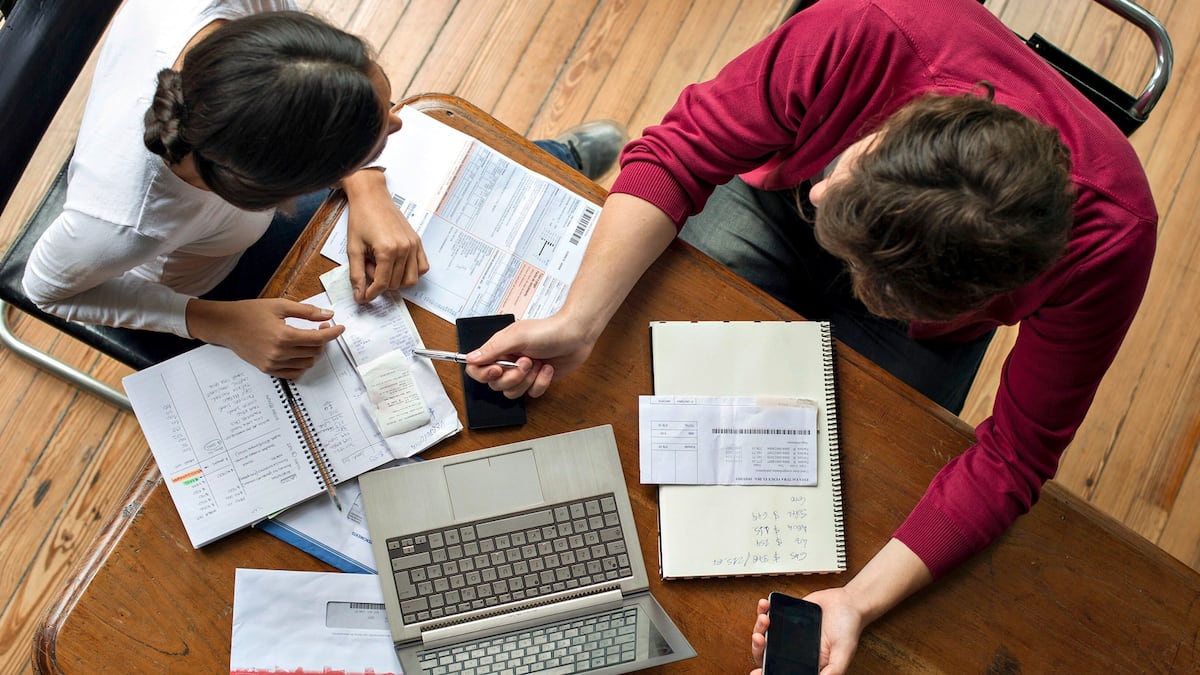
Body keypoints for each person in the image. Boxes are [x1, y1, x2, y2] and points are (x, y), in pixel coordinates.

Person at [462, 0, 1156, 672]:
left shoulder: (1112, 242)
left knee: (857, 475)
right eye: (856, 161)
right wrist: (577, 321)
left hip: (923, 323)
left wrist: (856, 601)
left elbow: (1014, 457)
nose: (822, 193)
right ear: (905, 121)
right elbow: (681, 151)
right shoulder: (865, 28)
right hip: (771, 201)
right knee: (653, 369)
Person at [22, 0, 624, 380]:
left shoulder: (246, 28)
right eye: (375, 140)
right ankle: (557, 161)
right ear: (288, 192)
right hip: (199, 287)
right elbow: (46, 289)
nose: (397, 124)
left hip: (236, 220)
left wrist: (366, 182)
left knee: (464, 188)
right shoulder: (118, 227)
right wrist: (218, 323)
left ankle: (557, 161)